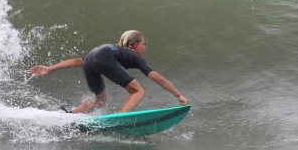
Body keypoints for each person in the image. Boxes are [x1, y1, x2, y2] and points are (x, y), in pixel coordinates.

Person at [29, 30, 188, 114]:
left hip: (92, 58)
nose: (145, 47)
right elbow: (157, 78)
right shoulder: (132, 55)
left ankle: (71, 114)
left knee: (100, 101)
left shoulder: (116, 50)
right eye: (143, 44)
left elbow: (79, 61)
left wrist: (49, 69)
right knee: (138, 91)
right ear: (134, 44)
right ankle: (121, 116)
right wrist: (178, 94)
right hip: (105, 57)